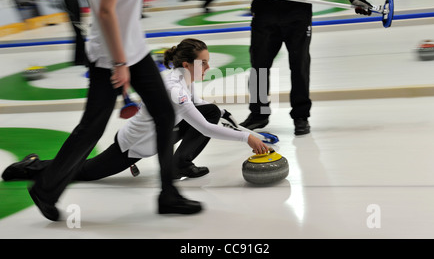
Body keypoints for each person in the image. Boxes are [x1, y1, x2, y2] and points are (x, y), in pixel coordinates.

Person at [28, 0, 201, 222]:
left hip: (135, 50)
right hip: (110, 54)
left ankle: (169, 194)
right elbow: (106, 10)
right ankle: (45, 188)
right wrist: (119, 63)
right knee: (92, 127)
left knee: (165, 113)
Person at [3, 39, 270, 187]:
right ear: (188, 64)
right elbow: (204, 127)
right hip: (130, 147)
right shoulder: (173, 88)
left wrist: (245, 129)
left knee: (211, 110)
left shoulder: (184, 79)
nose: (209, 67)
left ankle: (180, 164)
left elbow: (209, 111)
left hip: (156, 137)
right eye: (205, 62)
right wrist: (247, 139)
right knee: (82, 172)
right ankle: (29, 167)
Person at [203, 0, 372, 135]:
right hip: (266, 0)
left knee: (299, 63)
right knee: (259, 62)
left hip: (297, 2)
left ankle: (301, 116)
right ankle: (259, 114)